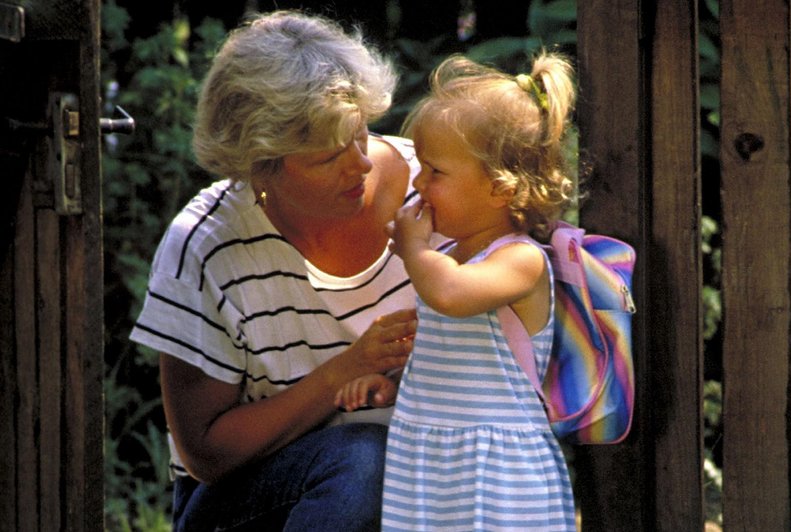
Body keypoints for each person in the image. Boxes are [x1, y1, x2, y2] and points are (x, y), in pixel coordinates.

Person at [129, 10, 422, 531]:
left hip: (420, 481)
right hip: (244, 504)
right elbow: (207, 456)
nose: (361, 164)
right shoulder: (206, 244)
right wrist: (343, 373)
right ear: (261, 164)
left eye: (361, 135)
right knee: (366, 461)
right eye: (329, 156)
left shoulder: (436, 189)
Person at [335, 52, 578, 530]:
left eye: (436, 172)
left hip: (498, 474)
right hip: (435, 463)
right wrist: (400, 386)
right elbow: (452, 353)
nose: (419, 184)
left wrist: (413, 249)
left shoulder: (520, 260)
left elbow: (450, 295)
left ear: (501, 188)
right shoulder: (446, 259)